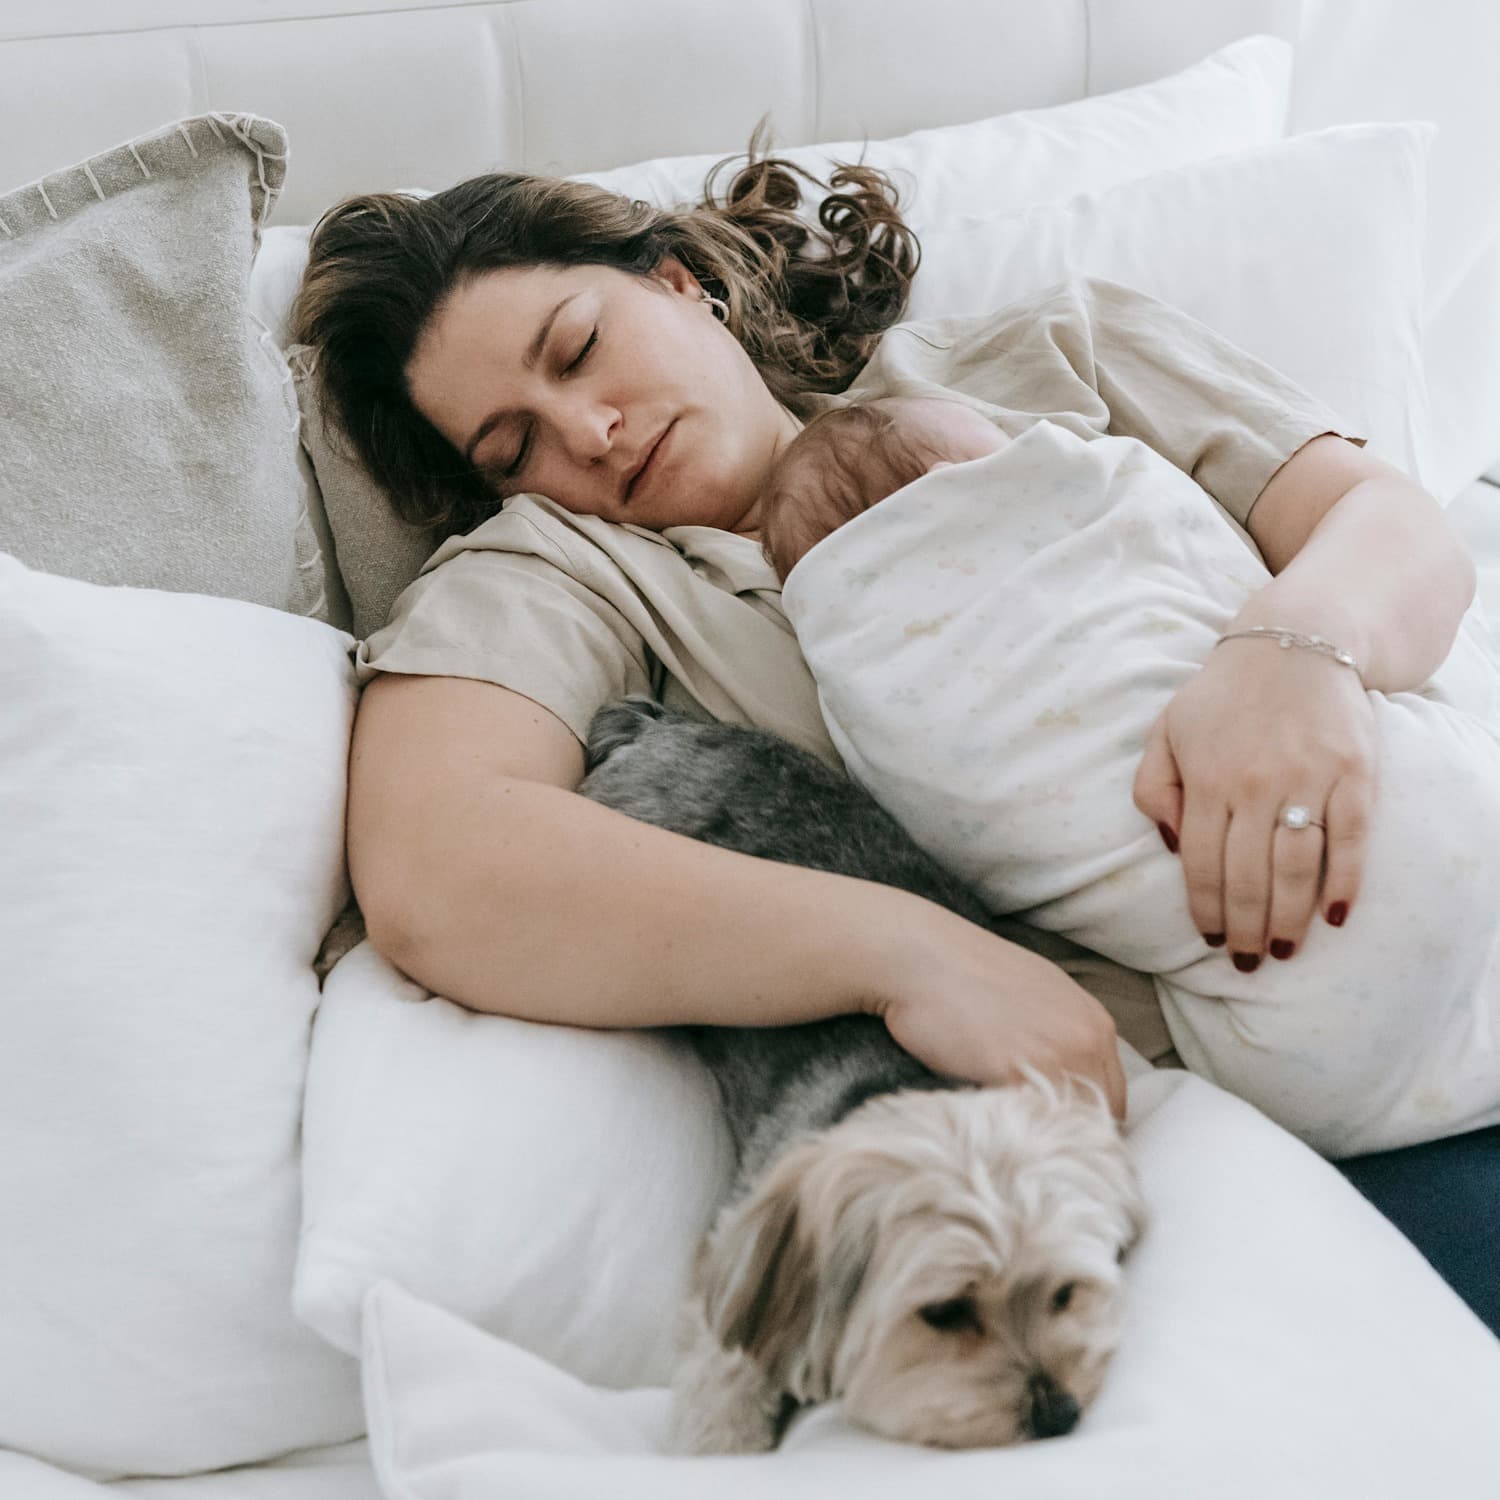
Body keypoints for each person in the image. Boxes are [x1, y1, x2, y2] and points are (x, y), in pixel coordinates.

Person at [289, 144, 1495, 1317]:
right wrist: (914, 957)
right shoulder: (563, 574)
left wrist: (1297, 648)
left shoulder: (1053, 354)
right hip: (1255, 1122)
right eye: (516, 448)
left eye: (579, 351)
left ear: (676, 281)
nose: (586, 433)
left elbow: (1392, 522)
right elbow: (437, 864)